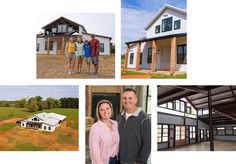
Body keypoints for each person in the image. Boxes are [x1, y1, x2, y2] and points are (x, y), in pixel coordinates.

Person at [117, 88, 151, 164]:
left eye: (130, 98)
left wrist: (140, 161)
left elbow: (148, 144)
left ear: (136, 100)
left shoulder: (145, 119)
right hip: (120, 161)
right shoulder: (119, 117)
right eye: (124, 98)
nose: (127, 101)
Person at [89, 99, 120, 164]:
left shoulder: (116, 124)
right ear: (99, 112)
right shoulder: (95, 128)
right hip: (104, 161)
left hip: (117, 159)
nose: (105, 111)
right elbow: (94, 152)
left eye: (107, 108)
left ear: (111, 109)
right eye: (102, 110)